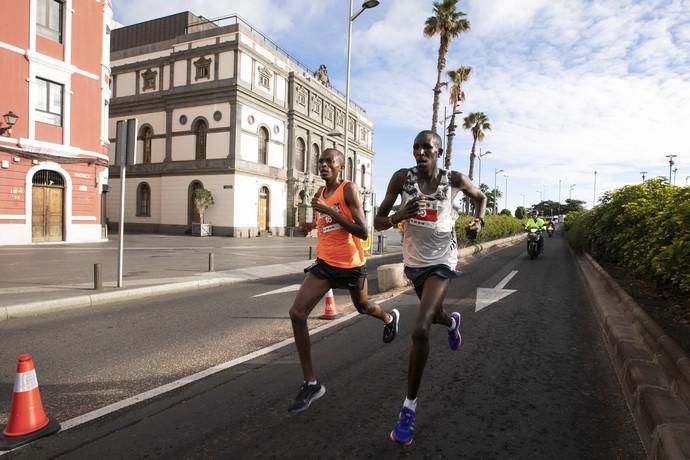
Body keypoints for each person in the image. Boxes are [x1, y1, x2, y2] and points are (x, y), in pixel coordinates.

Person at [374, 130, 487, 446]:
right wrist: (400, 214)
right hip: (414, 263)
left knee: (420, 329)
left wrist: (479, 221)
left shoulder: (453, 179)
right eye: (416, 147)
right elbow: (378, 222)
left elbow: (480, 198)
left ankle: (408, 408)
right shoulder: (401, 178)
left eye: (427, 147)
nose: (420, 151)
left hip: (443, 261)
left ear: (439, 152)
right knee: (435, 315)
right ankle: (451, 322)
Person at [288, 148, 400, 413]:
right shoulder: (319, 194)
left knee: (363, 307)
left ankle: (388, 318)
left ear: (340, 167)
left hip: (351, 265)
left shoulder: (348, 190)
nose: (324, 165)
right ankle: (311, 383)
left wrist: (331, 211)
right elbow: (325, 226)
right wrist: (316, 225)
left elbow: (362, 231)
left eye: (329, 161)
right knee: (297, 313)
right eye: (321, 162)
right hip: (325, 264)